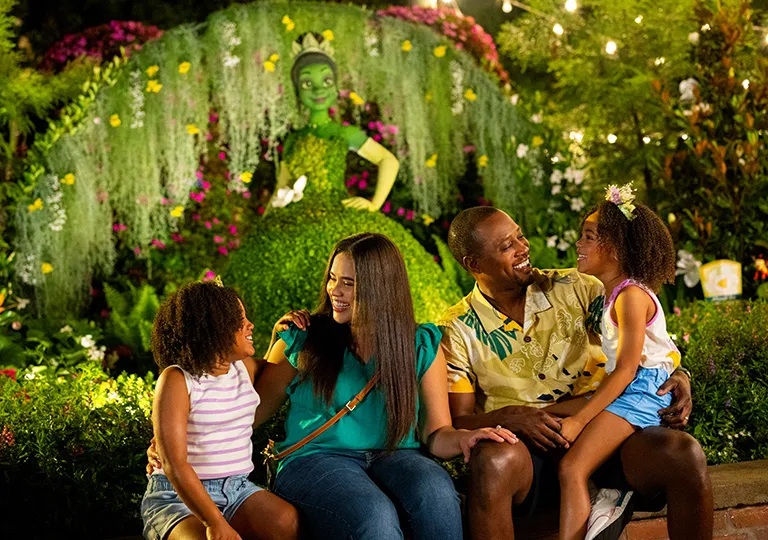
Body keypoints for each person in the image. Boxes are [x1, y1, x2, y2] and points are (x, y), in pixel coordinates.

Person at [438, 206, 713, 540]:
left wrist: (680, 374)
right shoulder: (457, 329)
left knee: (683, 454)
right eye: (506, 246)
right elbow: (458, 421)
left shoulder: (579, 287)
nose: (523, 247)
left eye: (520, 235)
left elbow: (644, 340)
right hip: (527, 456)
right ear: (474, 264)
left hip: (605, 431)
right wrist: (511, 417)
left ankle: (606, 495)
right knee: (492, 461)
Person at [253, 232, 518, 540]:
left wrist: (465, 439)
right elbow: (250, 413)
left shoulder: (420, 345)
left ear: (380, 288)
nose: (334, 291)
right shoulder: (303, 339)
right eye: (333, 278)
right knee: (372, 513)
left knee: (437, 495)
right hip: (314, 459)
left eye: (349, 283)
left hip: (395, 455)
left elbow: (435, 434)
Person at [225, 31, 460, 350]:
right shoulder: (292, 139)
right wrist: (263, 226)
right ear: (297, 90)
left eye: (325, 81)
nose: (318, 89)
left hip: (339, 207)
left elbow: (387, 160)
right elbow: (283, 186)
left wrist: (374, 203)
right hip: (294, 217)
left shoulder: (342, 133)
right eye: (307, 83)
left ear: (335, 86)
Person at [549, 184, 691, 539]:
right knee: (551, 412)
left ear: (616, 248)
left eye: (589, 236)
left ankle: (606, 499)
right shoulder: (614, 293)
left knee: (571, 468)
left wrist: (581, 420)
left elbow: (629, 369)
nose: (579, 244)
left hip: (642, 391)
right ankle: (609, 496)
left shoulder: (630, 296)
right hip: (631, 388)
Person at [141, 281, 300, 540]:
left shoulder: (241, 369)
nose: (250, 325)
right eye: (240, 320)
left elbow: (271, 369)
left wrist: (277, 334)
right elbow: (174, 464)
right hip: (177, 498)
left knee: (287, 523)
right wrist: (214, 522)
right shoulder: (177, 380)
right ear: (212, 329)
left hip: (236, 489)